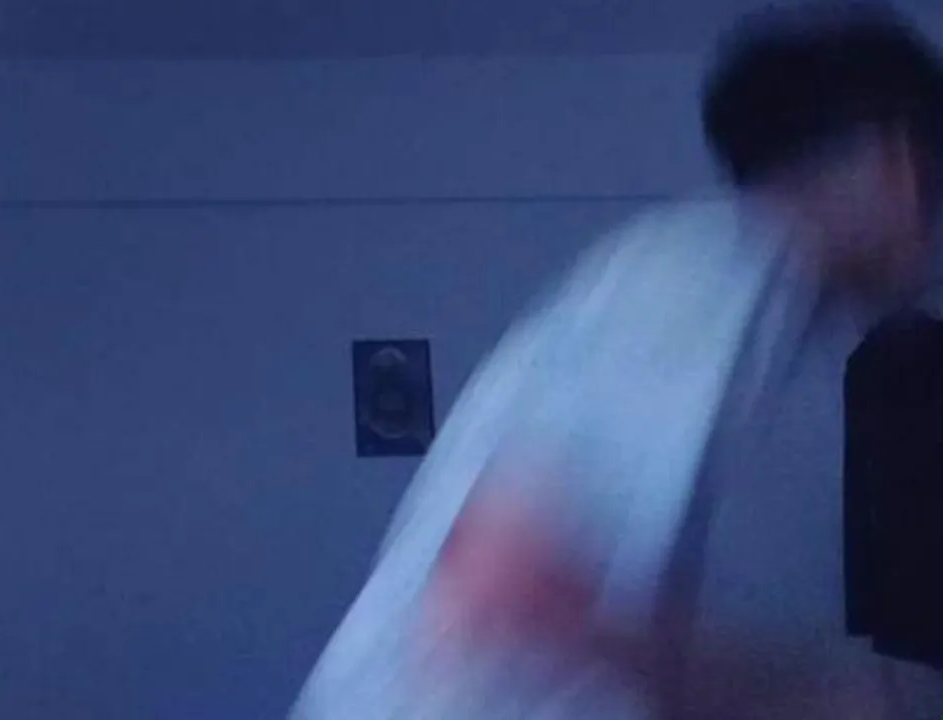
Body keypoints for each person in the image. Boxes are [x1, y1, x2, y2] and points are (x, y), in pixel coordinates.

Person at [291, 5, 943, 719]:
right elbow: (500, 589)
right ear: (900, 164)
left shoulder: (778, 322)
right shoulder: (706, 270)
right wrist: (828, 695)